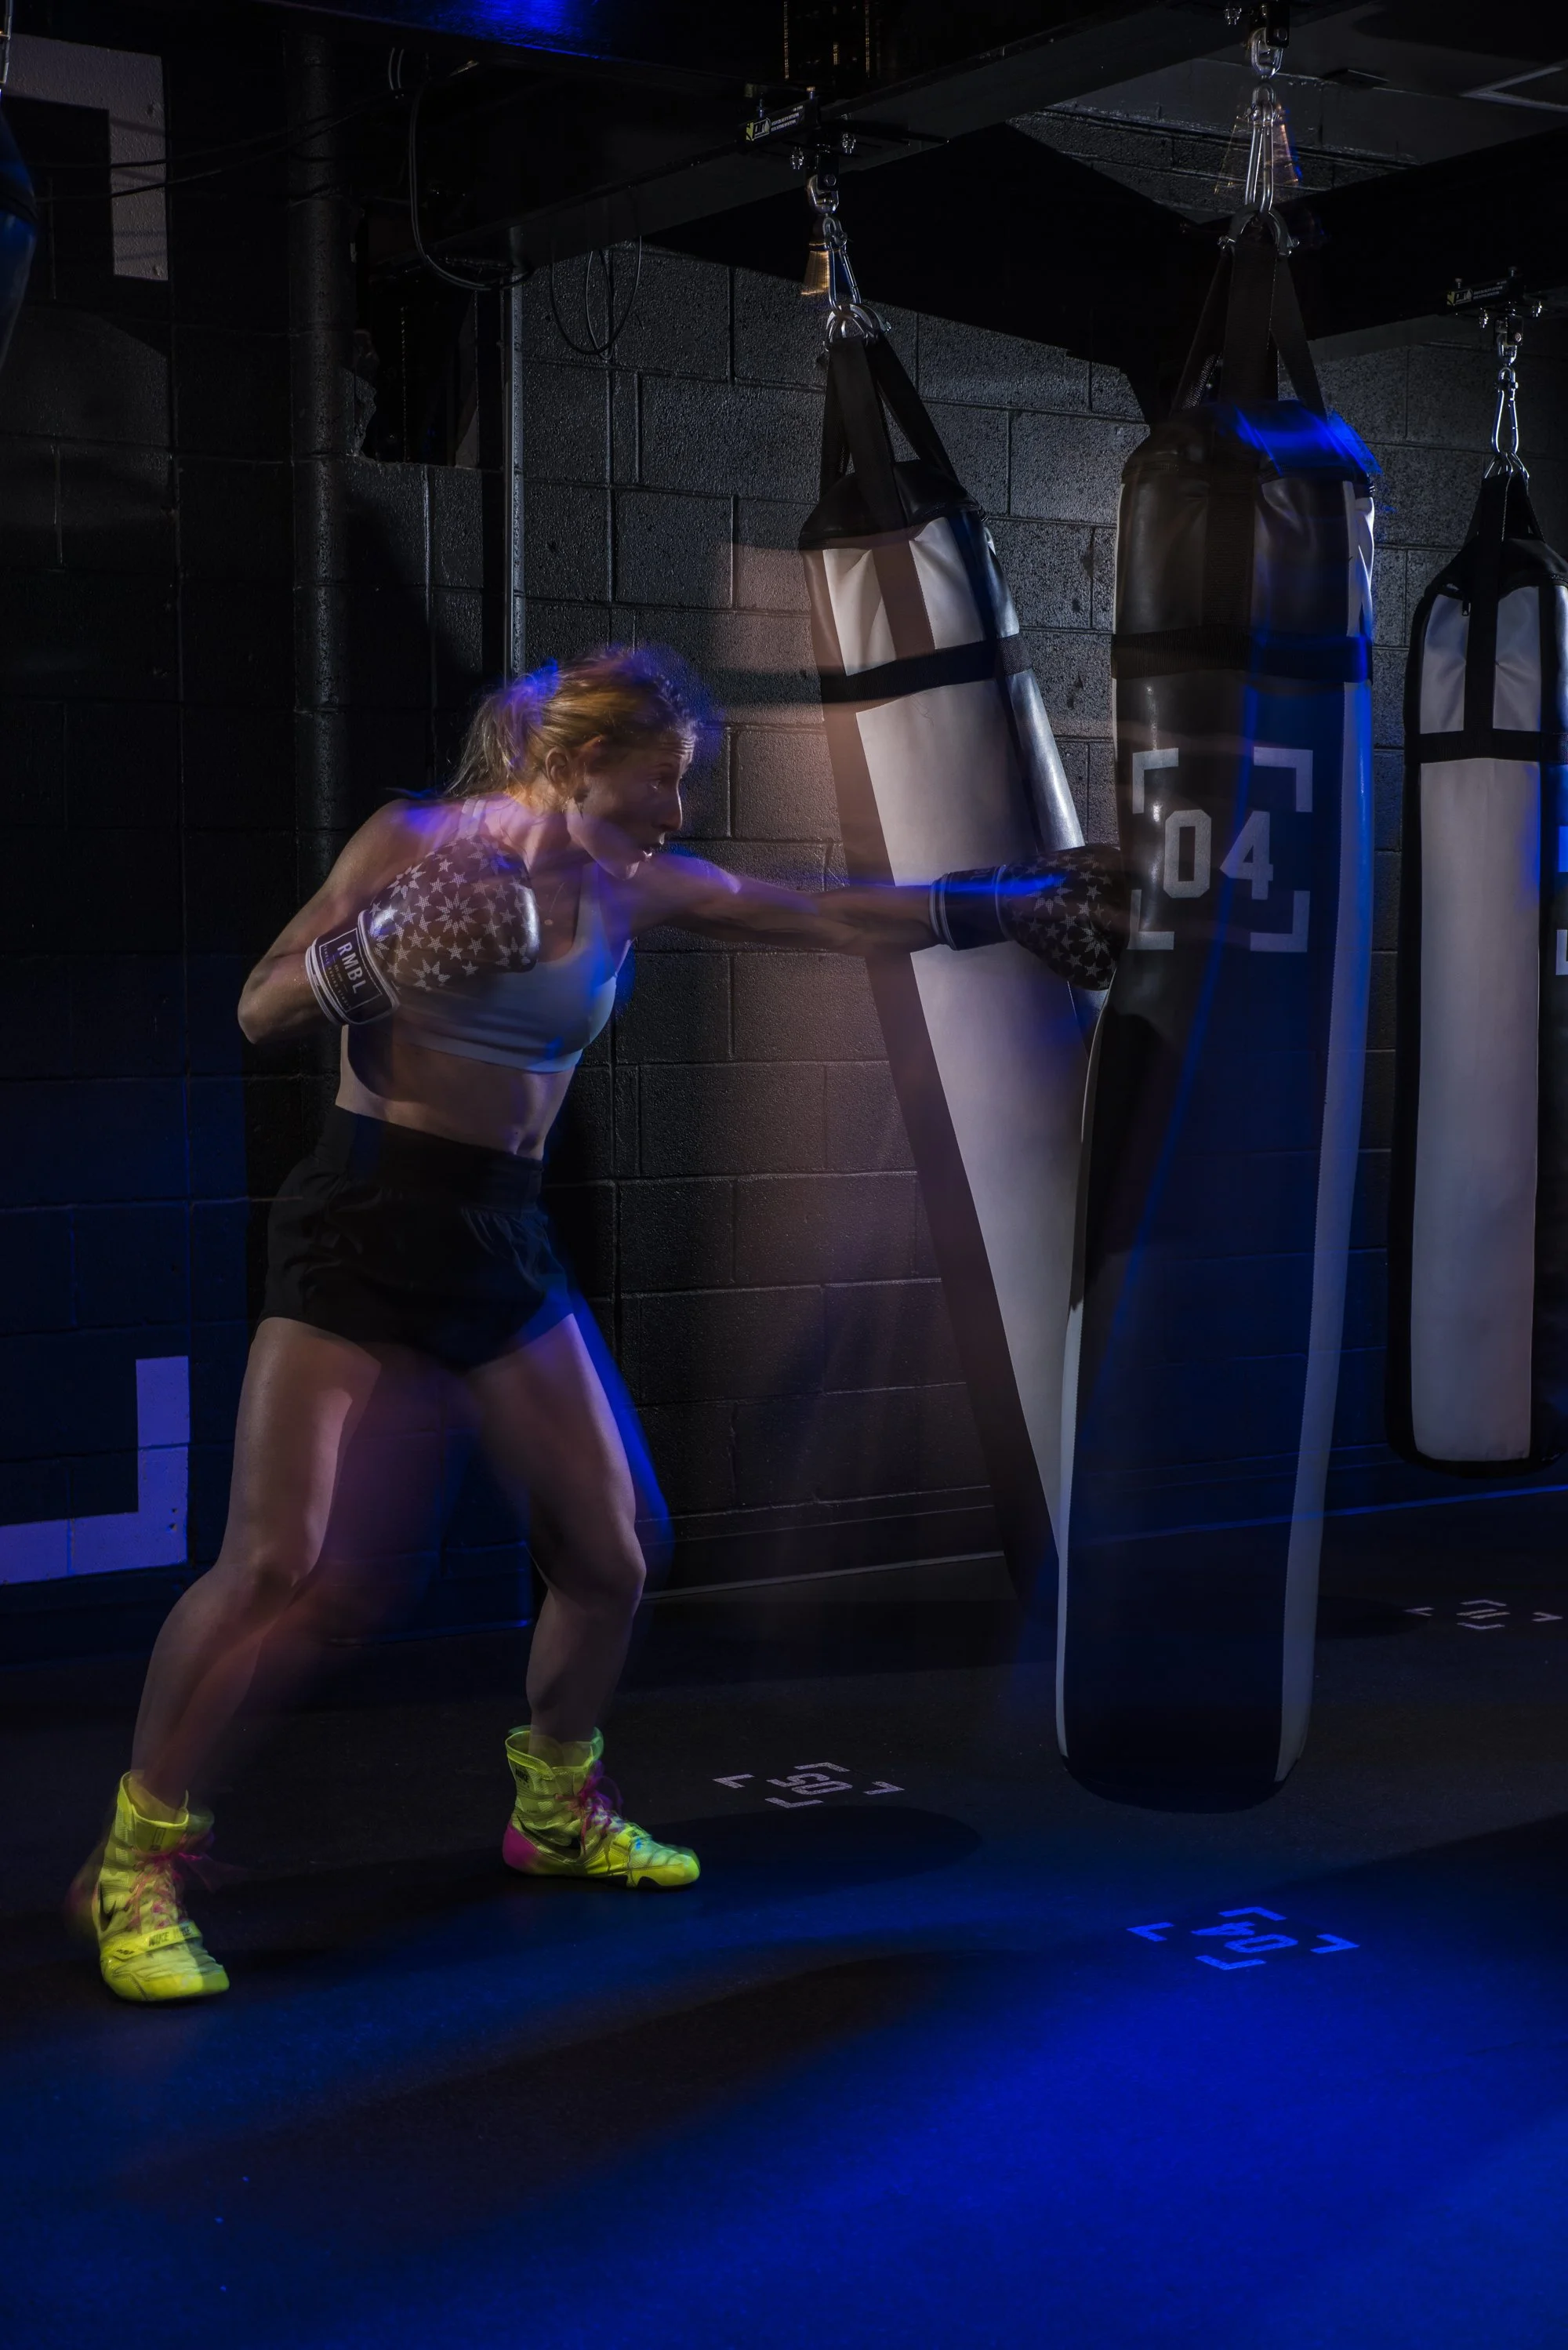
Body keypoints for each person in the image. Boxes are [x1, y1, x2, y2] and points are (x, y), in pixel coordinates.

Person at [67, 645, 971, 2005]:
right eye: (659, 781)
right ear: (579, 764)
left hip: (501, 1233)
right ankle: (136, 1867)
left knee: (615, 1551)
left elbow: (817, 915)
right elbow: (258, 1008)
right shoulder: (416, 840)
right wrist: (374, 956)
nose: (676, 813)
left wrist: (994, 907)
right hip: (364, 1220)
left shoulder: (632, 883)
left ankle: (555, 1809)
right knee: (279, 1567)